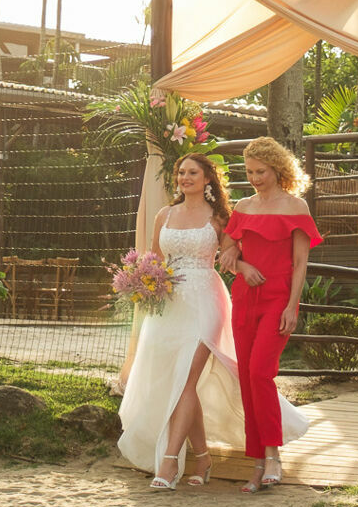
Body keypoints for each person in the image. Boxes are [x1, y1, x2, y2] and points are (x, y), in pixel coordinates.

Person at [114, 152, 307, 489]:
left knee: (187, 381)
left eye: (192, 172)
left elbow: (236, 253)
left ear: (208, 179)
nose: (185, 178)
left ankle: (170, 463)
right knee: (180, 381)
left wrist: (244, 266)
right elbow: (156, 260)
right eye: (181, 173)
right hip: (169, 305)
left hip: (205, 300)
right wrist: (142, 282)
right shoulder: (164, 215)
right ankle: (202, 457)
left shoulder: (220, 217)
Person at [218, 136, 323, 492]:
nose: (254, 178)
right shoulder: (244, 206)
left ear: (277, 169)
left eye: (260, 171)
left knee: (261, 373)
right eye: (249, 171)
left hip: (278, 297)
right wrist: (240, 265)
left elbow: (300, 262)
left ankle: (273, 454)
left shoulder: (296, 208)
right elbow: (228, 246)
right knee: (246, 377)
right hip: (245, 297)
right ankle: (258, 462)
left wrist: (293, 306)